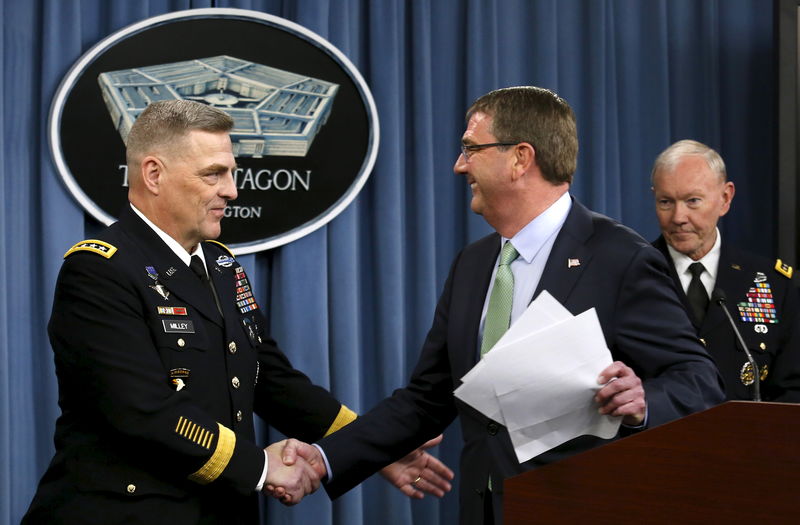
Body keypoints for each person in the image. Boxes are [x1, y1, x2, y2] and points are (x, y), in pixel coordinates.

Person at [278, 86, 726, 524]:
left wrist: (643, 400)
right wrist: (323, 459)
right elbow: (426, 400)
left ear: (520, 158)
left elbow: (699, 380)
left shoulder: (619, 258)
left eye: (471, 149)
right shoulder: (473, 264)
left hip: (584, 505)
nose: (459, 166)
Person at [22, 100, 452, 525]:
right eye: (213, 174)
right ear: (154, 174)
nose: (231, 190)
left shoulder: (221, 265)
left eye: (231, 173)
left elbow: (269, 379)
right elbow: (142, 411)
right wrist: (261, 468)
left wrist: (366, 446)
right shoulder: (99, 268)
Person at [651, 139, 800, 401]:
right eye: (665, 202)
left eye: (693, 201)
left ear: (725, 198)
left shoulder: (772, 282)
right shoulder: (633, 274)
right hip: (659, 439)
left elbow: (792, 389)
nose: (678, 217)